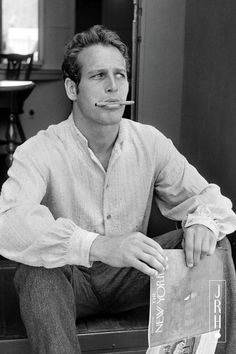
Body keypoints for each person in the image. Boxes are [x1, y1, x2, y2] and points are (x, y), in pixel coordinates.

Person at [0, 25, 235, 354]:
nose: (113, 87)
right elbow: (8, 223)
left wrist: (202, 222)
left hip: (134, 276)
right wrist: (97, 245)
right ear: (71, 87)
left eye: (120, 75)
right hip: (70, 283)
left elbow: (211, 200)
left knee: (213, 239)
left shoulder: (149, 141)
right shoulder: (39, 150)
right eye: (98, 76)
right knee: (36, 273)